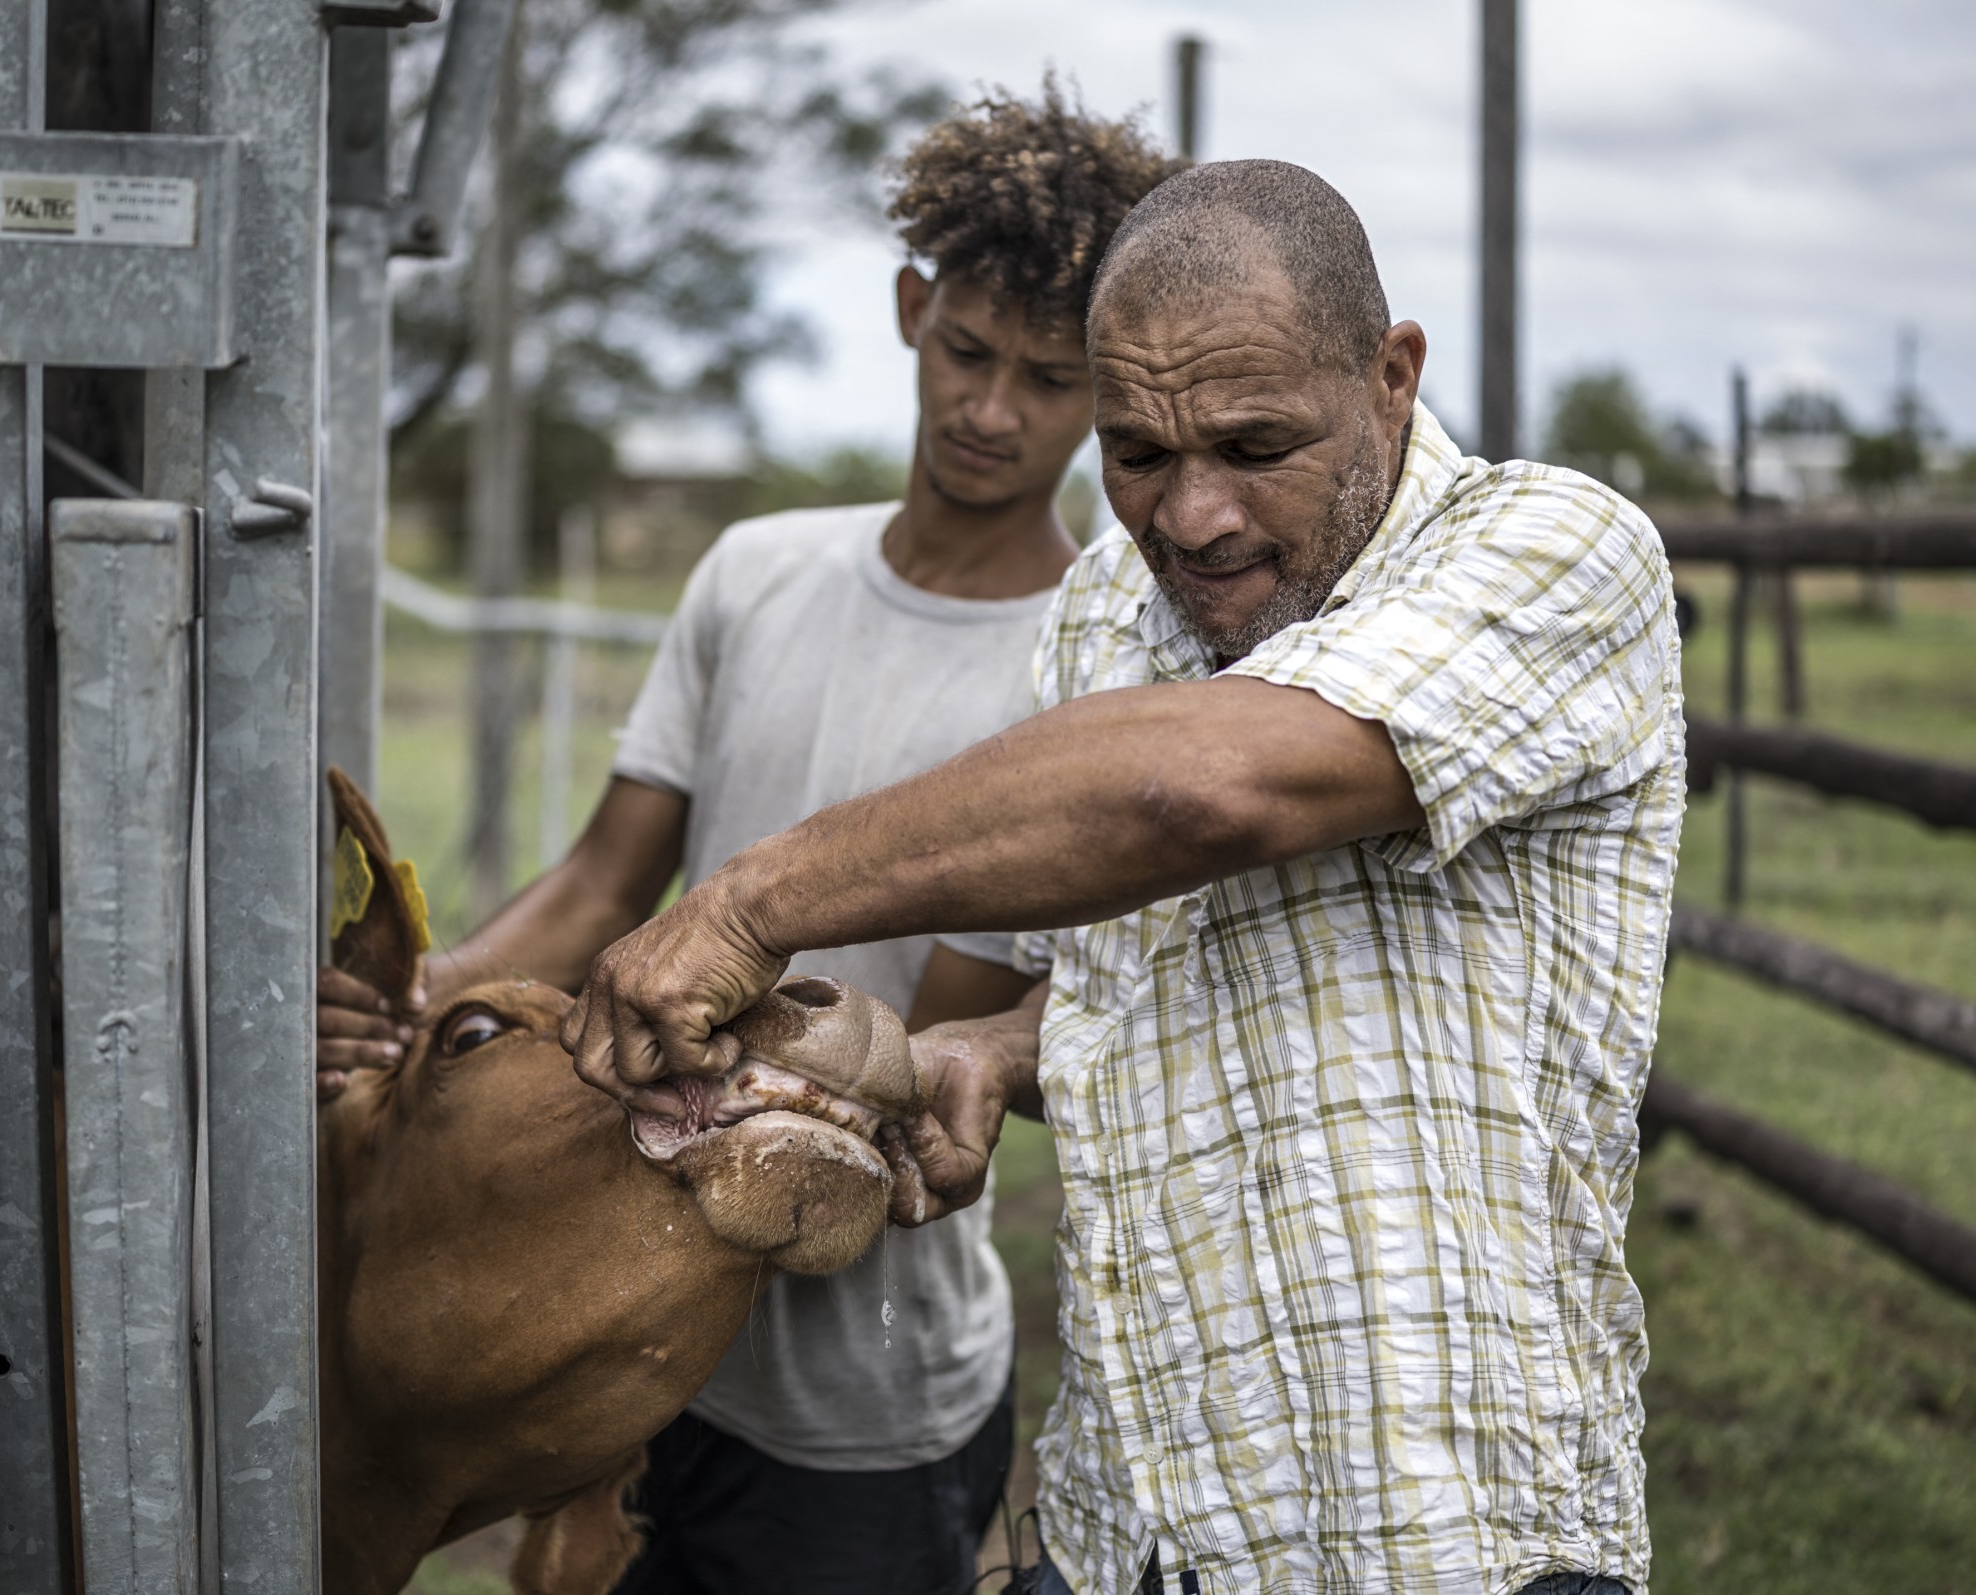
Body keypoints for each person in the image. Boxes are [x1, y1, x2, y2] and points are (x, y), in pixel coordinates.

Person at [562, 160, 1684, 1595]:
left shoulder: (1554, 553)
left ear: (1391, 376)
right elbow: (1168, 963)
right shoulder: (1108, 603)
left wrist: (739, 906)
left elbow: (1202, 791)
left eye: (1256, 442)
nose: (1194, 517)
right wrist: (1007, 1050)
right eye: (1138, 455)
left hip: (1437, 1532)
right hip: (1125, 1529)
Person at [317, 86, 1178, 1594]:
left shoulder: (1094, 657)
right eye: (969, 353)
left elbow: (942, 1037)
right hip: (614, 1330)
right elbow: (604, 882)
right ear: (913, 311)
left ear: (1101, 389)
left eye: (1049, 380)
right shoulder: (756, 571)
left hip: (863, 1388)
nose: (993, 411)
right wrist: (417, 1006)